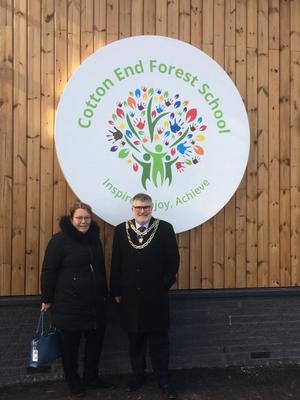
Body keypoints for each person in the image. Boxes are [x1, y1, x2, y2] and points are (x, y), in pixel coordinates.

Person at [40, 202, 115, 397]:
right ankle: (73, 382)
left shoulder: (94, 240)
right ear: (71, 219)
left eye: (87, 218)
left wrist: (105, 291)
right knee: (70, 346)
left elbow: (100, 268)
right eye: (79, 218)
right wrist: (46, 298)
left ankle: (91, 378)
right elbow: (49, 270)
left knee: (95, 343)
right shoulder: (60, 240)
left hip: (95, 303)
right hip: (68, 303)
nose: (83, 222)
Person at [110, 193, 180, 399]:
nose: (142, 211)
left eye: (146, 207)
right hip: (130, 296)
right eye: (138, 207)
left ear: (152, 208)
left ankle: (163, 379)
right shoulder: (121, 231)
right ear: (132, 209)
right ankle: (137, 375)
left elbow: (173, 260)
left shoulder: (165, 228)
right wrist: (115, 290)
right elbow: (116, 262)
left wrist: (164, 284)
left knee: (159, 341)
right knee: (135, 340)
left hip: (156, 296)